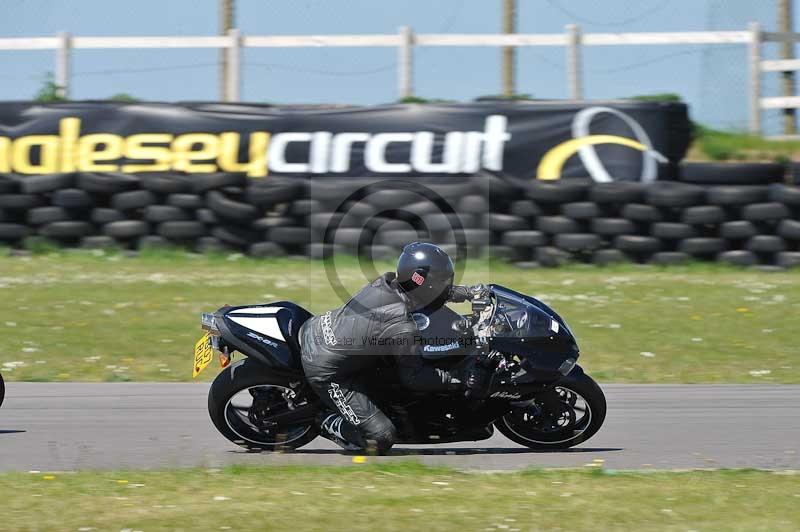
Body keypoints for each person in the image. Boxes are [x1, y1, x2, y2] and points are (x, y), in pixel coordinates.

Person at [299, 242, 492, 454]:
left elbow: (426, 292)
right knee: (380, 438)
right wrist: (461, 379)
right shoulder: (400, 326)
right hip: (326, 370)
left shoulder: (388, 282)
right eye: (443, 281)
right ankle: (324, 420)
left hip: (319, 329)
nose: (446, 284)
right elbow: (415, 378)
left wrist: (467, 293)